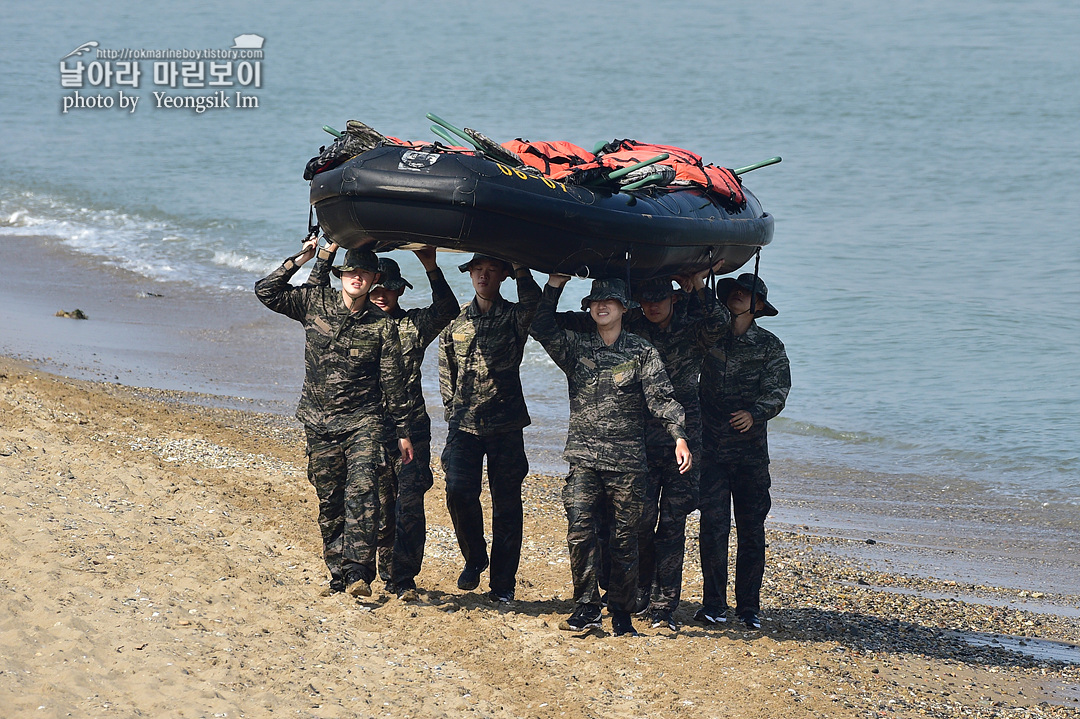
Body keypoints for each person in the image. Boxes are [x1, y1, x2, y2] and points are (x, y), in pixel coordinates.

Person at [530, 274, 691, 637]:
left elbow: (661, 399)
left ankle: (620, 611)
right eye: (595, 302)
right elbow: (539, 325)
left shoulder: (641, 352)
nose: (601, 307)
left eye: (609, 302)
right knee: (580, 533)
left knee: (625, 541)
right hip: (584, 458)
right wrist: (555, 284)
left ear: (623, 308)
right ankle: (586, 608)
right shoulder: (577, 348)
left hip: (627, 464)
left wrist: (678, 436)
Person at [255, 239, 413, 598]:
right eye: (351, 271)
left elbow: (392, 380)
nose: (357, 278)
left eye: (365, 273)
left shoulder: (380, 326)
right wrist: (306, 258)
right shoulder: (314, 303)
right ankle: (339, 574)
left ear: (374, 279)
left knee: (362, 490)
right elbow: (266, 291)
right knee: (329, 502)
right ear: (342, 274)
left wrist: (403, 431)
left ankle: (358, 573)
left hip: (363, 422)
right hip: (318, 420)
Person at [306, 244, 458, 601]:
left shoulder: (411, 326)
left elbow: (447, 309)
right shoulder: (354, 324)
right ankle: (356, 574)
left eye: (389, 289)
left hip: (410, 428)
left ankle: (402, 578)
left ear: (400, 291)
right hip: (364, 424)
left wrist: (430, 265)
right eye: (376, 290)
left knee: (407, 503)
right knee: (366, 501)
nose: (381, 296)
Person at [438, 253, 541, 603]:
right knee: (458, 492)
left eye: (491, 271)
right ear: (469, 275)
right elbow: (445, 371)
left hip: (507, 424)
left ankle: (503, 585)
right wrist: (453, 413)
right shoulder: (456, 322)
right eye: (477, 271)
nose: (483, 276)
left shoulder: (514, 316)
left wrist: (521, 265)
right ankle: (475, 556)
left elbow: (534, 304)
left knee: (507, 507)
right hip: (464, 425)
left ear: (503, 276)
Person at [697, 272, 790, 630]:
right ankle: (713, 605)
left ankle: (749, 607)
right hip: (712, 449)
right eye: (734, 291)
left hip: (750, 454)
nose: (738, 295)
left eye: (746, 293)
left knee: (751, 531)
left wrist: (755, 414)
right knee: (713, 527)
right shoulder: (709, 337)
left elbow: (778, 390)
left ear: (759, 305)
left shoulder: (769, 346)